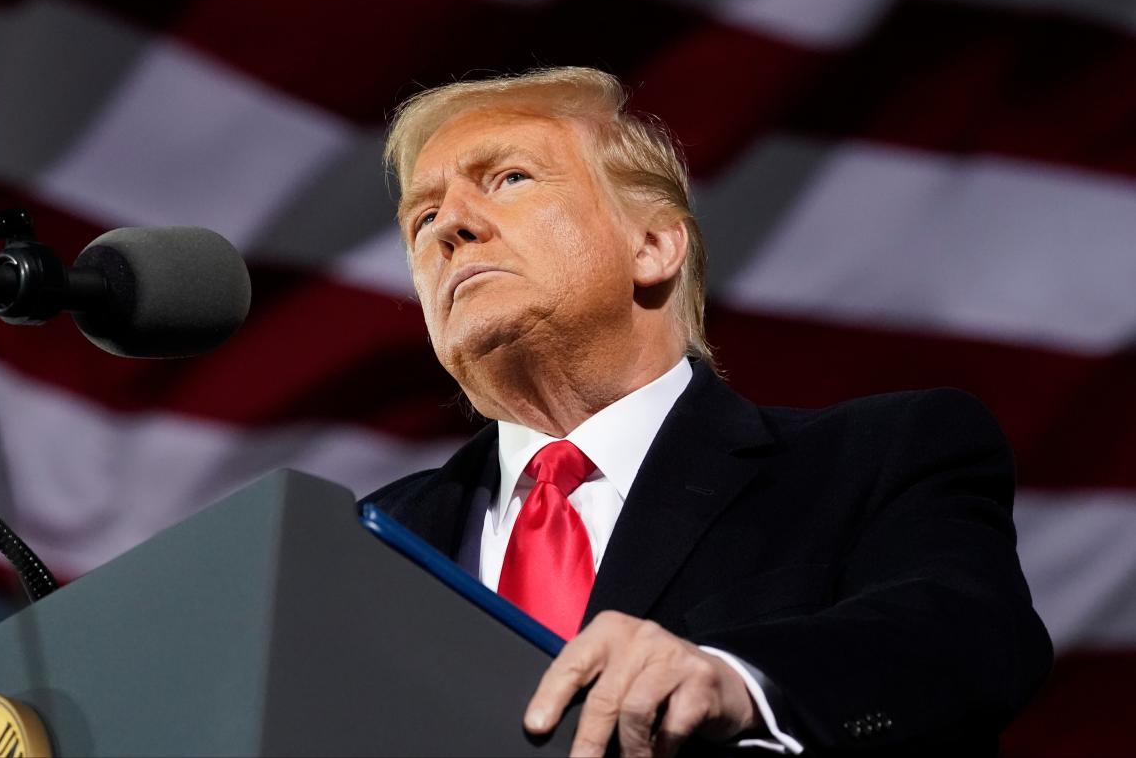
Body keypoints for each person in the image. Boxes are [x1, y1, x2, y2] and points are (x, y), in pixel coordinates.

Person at [365, 67, 1052, 756]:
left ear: (654, 245)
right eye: (422, 217)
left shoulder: (878, 458)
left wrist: (738, 681)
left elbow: (967, 639)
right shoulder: (363, 543)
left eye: (509, 178)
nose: (450, 226)